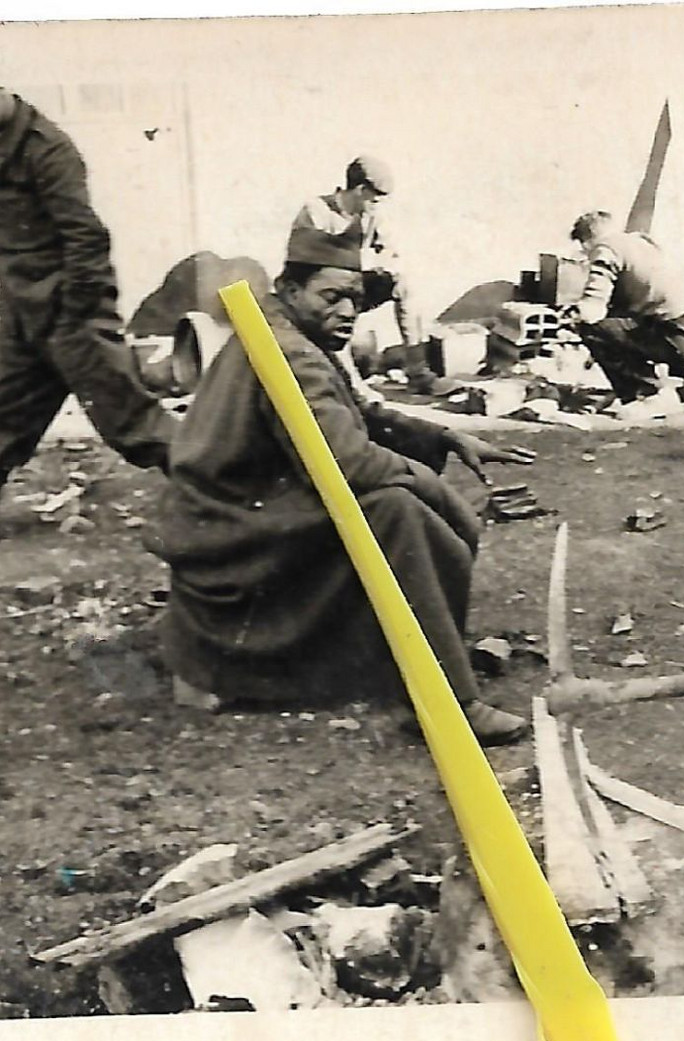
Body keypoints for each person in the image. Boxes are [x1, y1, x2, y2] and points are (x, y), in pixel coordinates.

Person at [149, 226, 535, 745]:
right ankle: (447, 703)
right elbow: (347, 461)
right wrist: (431, 484)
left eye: (355, 299)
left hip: (228, 516)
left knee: (406, 506)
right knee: (400, 512)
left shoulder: (284, 334)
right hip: (233, 531)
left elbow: (357, 414)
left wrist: (443, 435)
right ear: (290, 290)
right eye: (331, 296)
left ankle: (417, 659)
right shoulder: (289, 351)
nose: (348, 311)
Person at [0, 84, 174, 545]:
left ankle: (225, 489)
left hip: (71, 306)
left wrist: (78, 313)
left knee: (126, 416)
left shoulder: (47, 149)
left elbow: (86, 235)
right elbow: (19, 210)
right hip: (21, 306)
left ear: (0, 88)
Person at [563, 210, 684, 419]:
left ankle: (649, 396)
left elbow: (592, 309)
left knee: (592, 328)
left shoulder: (605, 248)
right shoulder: (645, 244)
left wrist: (572, 317)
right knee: (656, 317)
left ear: (586, 242)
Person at [290, 154, 422, 358]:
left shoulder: (371, 216)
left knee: (403, 285)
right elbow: (307, 265)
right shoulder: (316, 211)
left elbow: (391, 252)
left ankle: (419, 370)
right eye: (375, 200)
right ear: (360, 190)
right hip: (319, 295)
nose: (378, 205)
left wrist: (386, 264)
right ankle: (349, 379)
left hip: (351, 286)